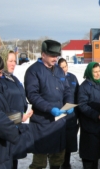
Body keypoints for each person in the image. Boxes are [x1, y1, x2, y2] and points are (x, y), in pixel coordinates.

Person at [24, 39, 74, 169]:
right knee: (39, 162)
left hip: (59, 123)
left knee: (57, 159)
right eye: (52, 55)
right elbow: (32, 95)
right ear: (43, 54)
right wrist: (50, 108)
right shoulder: (33, 71)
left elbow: (67, 90)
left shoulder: (58, 70)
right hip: (42, 123)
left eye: (56, 56)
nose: (55, 58)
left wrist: (69, 103)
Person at [0, 51, 33, 169]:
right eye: (10, 61)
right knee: (6, 161)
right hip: (6, 126)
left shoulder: (14, 79)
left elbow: (21, 97)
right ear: (2, 61)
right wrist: (17, 116)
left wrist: (26, 109)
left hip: (17, 125)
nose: (13, 64)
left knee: (14, 159)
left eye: (15, 61)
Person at [78, 62, 100, 169]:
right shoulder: (84, 86)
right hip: (89, 125)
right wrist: (96, 115)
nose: (97, 74)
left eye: (99, 71)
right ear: (89, 72)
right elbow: (82, 105)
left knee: (96, 154)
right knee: (89, 154)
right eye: (95, 72)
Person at [58, 58, 80, 169]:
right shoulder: (55, 78)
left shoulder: (73, 78)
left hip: (72, 117)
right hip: (59, 117)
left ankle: (66, 164)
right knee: (59, 145)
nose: (63, 69)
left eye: (65, 66)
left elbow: (78, 96)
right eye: (61, 67)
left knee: (69, 145)